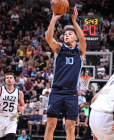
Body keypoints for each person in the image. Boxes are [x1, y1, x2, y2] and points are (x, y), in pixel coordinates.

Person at [44, 6, 86, 140]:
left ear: (75, 38)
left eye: (70, 34)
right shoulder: (59, 49)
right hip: (56, 91)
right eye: (65, 34)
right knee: (50, 126)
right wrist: (53, 20)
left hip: (72, 93)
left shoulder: (80, 52)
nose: (66, 35)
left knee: (70, 127)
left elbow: (83, 39)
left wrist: (74, 22)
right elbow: (49, 38)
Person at [0, 72, 25, 140]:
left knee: (10, 137)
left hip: (12, 119)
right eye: (7, 78)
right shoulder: (0, 90)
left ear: (14, 80)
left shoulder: (19, 93)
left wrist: (21, 109)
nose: (9, 79)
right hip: (1, 117)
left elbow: (23, 105)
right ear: (5, 80)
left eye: (11, 78)